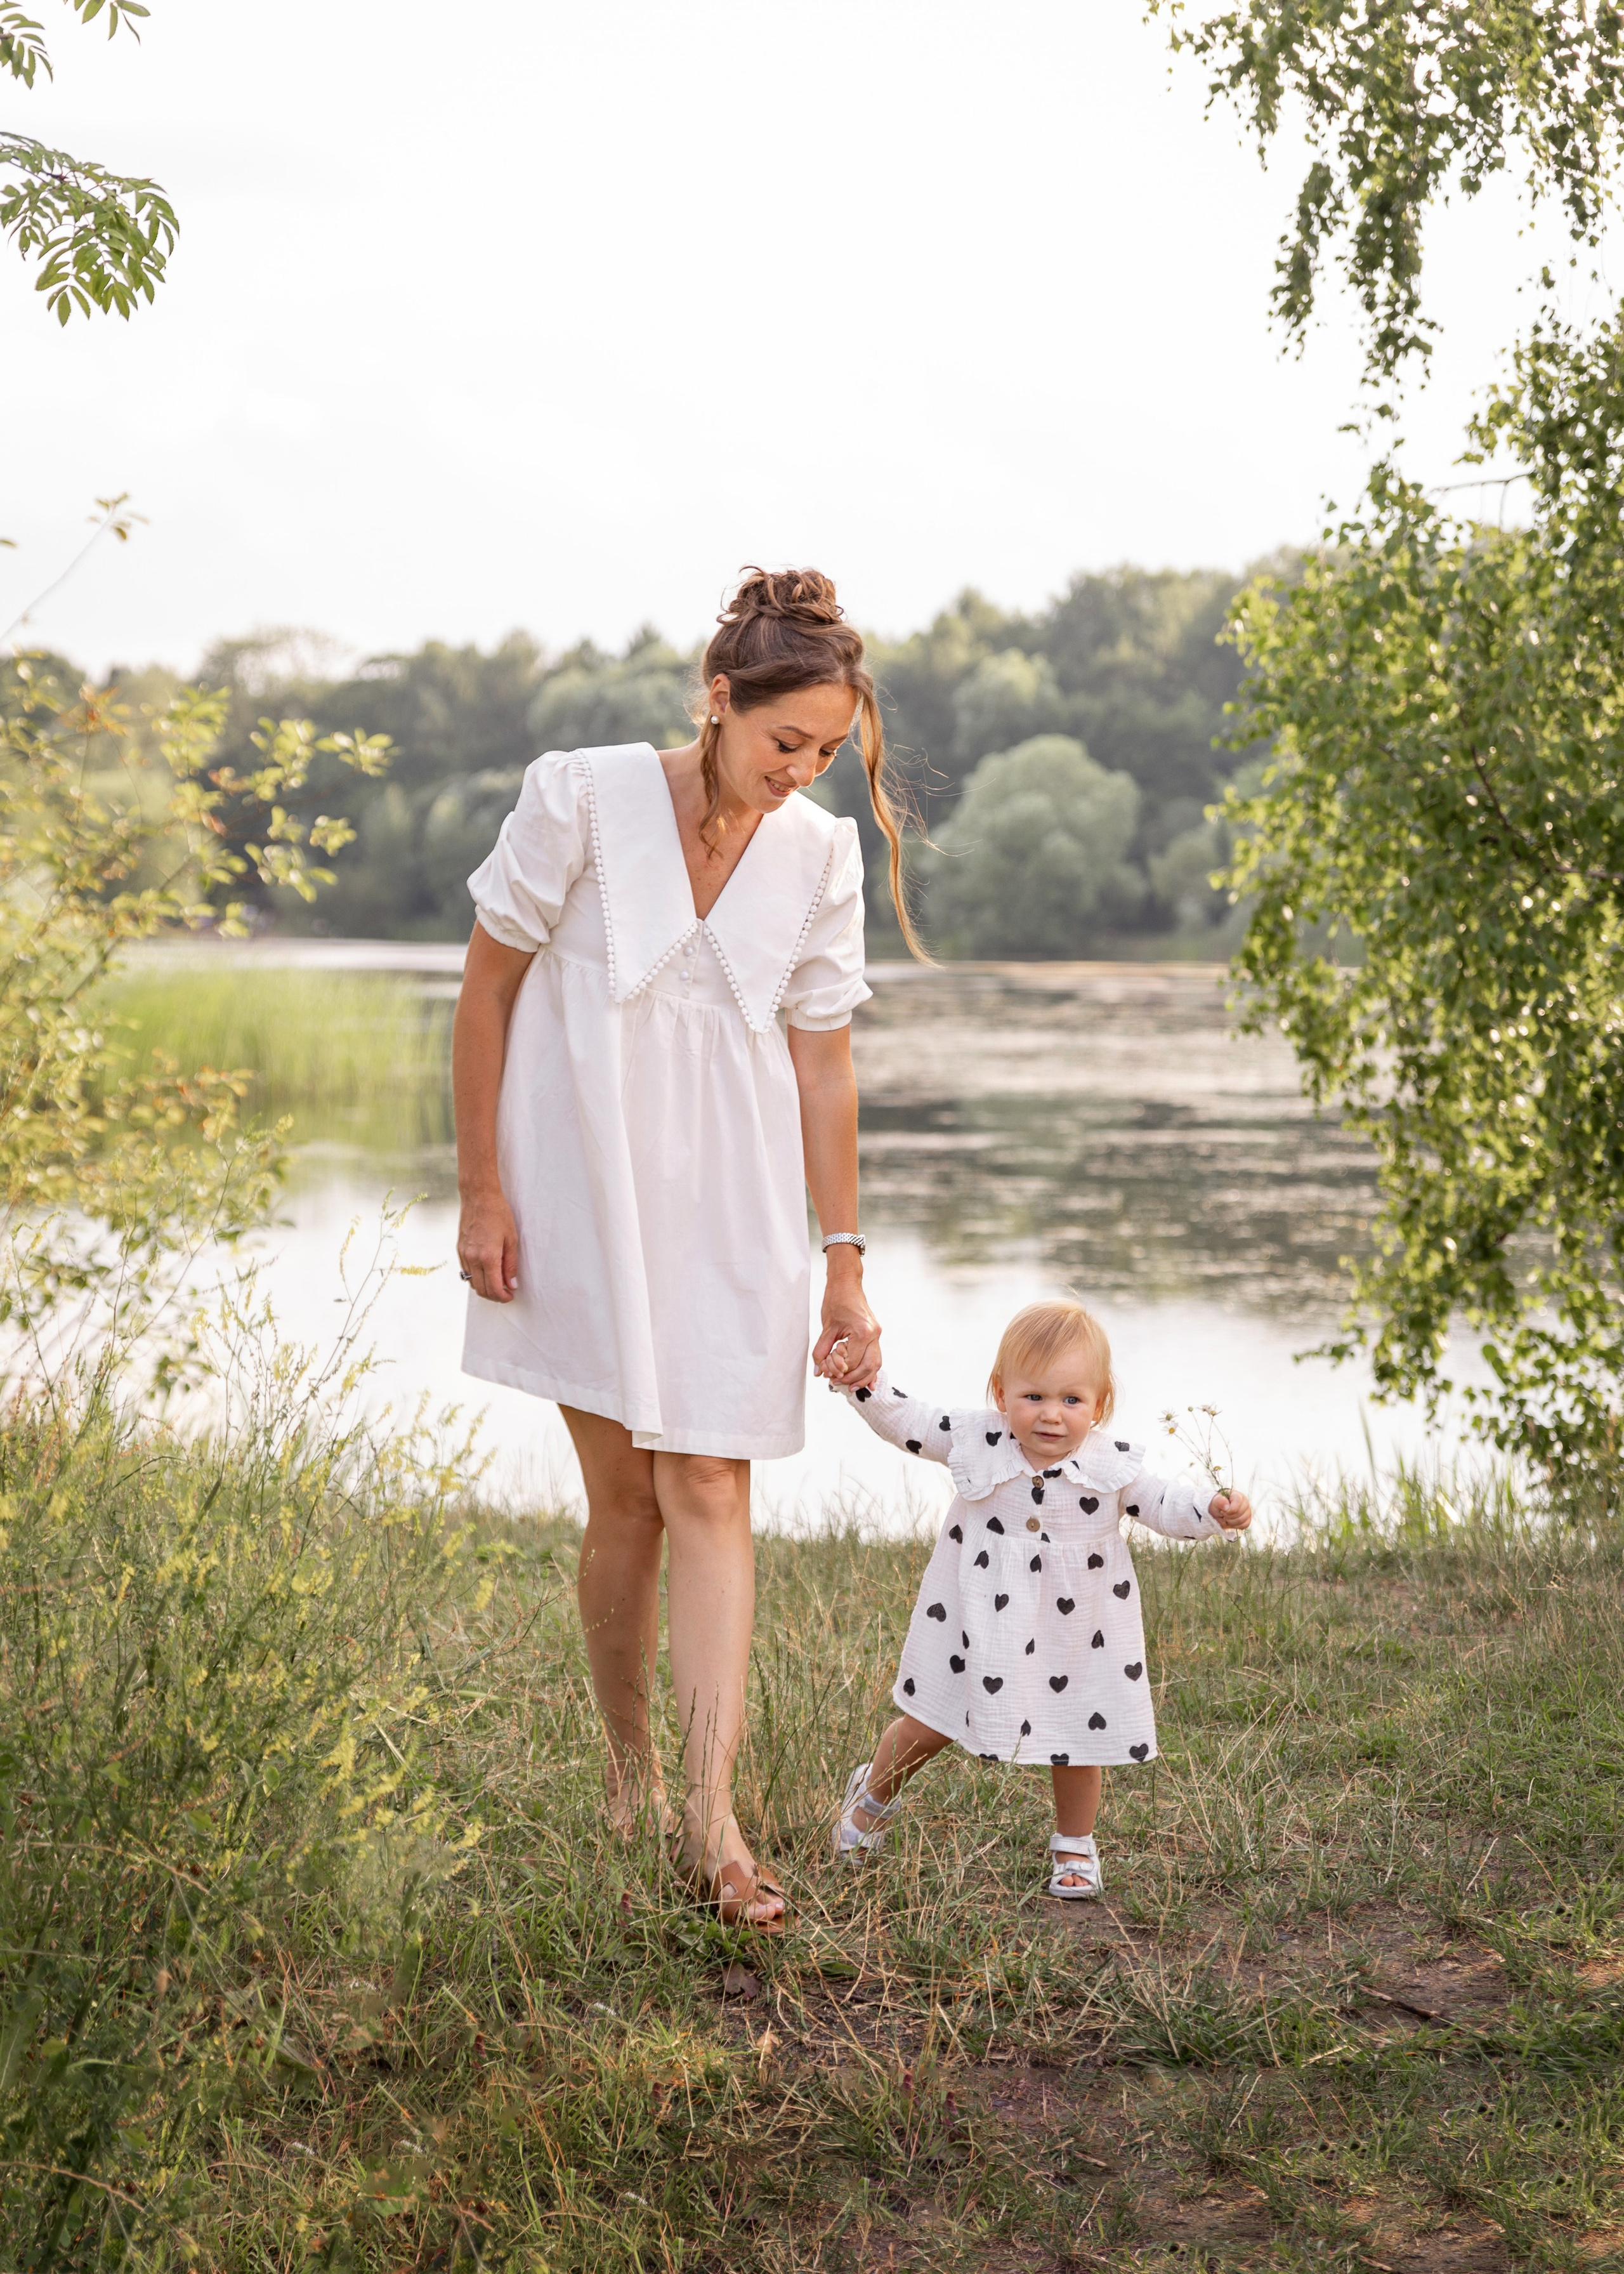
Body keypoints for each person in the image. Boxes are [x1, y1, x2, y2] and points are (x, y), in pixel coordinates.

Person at [452, 567, 922, 1930]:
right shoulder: (582, 795)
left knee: (712, 1479)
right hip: (581, 1186)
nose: (804, 771)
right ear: (718, 702)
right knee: (629, 1503)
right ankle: (631, 1776)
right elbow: (484, 992)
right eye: (786, 742)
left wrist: (843, 1261)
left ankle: (712, 1820)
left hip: (735, 1203)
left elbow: (822, 1071)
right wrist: (482, 1190)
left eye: (828, 751)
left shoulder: (818, 854)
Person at [826, 1298, 1252, 1898]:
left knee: (1078, 1735)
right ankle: (871, 1795)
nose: (1052, 1415)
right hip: (976, 1620)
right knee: (931, 1721)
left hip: (1075, 1631)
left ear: (1098, 1405)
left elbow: (1161, 1504)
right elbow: (911, 1424)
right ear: (1001, 1392)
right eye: (1034, 1397)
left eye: (1071, 1400)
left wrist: (1211, 1509)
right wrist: (866, 1381)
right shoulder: (978, 1439)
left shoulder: (1111, 1465)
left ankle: (1075, 1845)